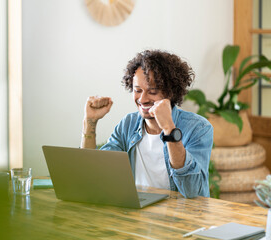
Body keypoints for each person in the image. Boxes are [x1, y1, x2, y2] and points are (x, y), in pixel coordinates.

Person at [81, 49, 213, 198]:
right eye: (137, 90)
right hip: (138, 215)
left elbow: (192, 190)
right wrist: (90, 122)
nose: (142, 99)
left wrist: (169, 128)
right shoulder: (128, 125)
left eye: (152, 91)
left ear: (170, 93)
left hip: (184, 216)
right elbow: (95, 173)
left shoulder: (198, 128)